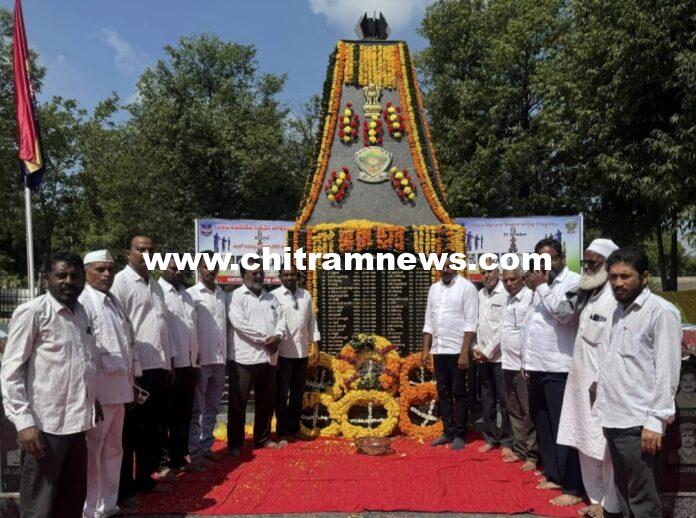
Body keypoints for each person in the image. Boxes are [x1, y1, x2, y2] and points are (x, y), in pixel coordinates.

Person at [1, 252, 101, 518]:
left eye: (75, 276)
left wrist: (92, 397)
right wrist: (24, 423)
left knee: (71, 503)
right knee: (39, 508)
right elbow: (10, 371)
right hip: (44, 428)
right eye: (61, 275)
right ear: (47, 279)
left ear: (83, 280)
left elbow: (83, 360)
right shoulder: (33, 312)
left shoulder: (82, 313)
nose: (68, 281)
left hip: (77, 424)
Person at [594, 245, 682, 516]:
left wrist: (655, 421)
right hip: (614, 417)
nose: (618, 283)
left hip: (639, 424)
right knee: (624, 495)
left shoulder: (660, 312)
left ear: (644, 277)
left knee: (643, 502)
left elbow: (667, 370)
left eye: (625, 276)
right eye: (613, 277)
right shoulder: (618, 310)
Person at [554, 239, 621, 517]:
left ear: (608, 264)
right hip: (580, 384)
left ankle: (609, 504)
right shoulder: (589, 295)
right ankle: (595, 497)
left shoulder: (614, 300)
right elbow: (562, 312)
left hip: (601, 386)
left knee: (604, 448)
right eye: (585, 262)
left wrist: (602, 382)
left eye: (593, 262)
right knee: (583, 441)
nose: (588, 267)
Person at [80, 249, 142, 518]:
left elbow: (127, 343)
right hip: (98, 393)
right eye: (100, 269)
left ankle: (108, 505)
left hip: (119, 390)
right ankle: (90, 509)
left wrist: (132, 380)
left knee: (114, 450)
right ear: (86, 272)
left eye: (110, 269)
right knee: (93, 453)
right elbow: (83, 351)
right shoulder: (83, 301)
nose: (107, 274)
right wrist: (88, 392)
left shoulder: (113, 301)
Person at [111, 234, 173, 499]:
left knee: (152, 429)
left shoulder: (155, 285)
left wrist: (168, 363)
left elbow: (162, 327)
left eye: (151, 250)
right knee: (130, 431)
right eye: (141, 249)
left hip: (158, 366)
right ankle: (125, 489)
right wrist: (130, 373)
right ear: (128, 253)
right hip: (136, 370)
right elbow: (119, 328)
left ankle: (146, 479)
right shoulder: (120, 283)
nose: (147, 254)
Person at [524, 238, 583, 506]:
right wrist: (526, 361)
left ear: (561, 257)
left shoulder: (574, 282)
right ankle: (554, 474)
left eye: (549, 259)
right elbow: (532, 326)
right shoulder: (539, 285)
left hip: (559, 366)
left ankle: (572, 485)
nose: (544, 265)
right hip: (537, 365)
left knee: (563, 426)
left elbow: (564, 315)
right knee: (543, 424)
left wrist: (542, 287)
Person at [227, 258, 287, 456]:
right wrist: (266, 340)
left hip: (268, 358)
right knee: (238, 403)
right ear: (243, 275)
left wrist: (278, 336)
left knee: (266, 402)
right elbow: (240, 324)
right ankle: (235, 445)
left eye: (261, 272)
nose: (259, 276)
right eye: (255, 273)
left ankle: (262, 439)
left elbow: (281, 320)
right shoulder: (235, 297)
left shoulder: (271, 298)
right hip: (243, 359)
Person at [422, 257, 478, 451]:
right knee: (443, 392)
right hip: (439, 349)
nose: (445, 270)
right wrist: (425, 349)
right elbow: (429, 321)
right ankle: (448, 431)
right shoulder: (434, 289)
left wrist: (464, 353)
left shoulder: (467, 288)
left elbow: (471, 322)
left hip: (457, 350)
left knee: (459, 392)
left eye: (449, 266)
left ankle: (460, 434)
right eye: (442, 266)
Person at [158, 258, 200, 473]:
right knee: (164, 417)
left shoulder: (187, 294)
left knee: (184, 414)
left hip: (189, 363)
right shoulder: (157, 292)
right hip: (169, 365)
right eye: (174, 268)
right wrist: (170, 363)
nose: (178, 272)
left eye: (182, 269)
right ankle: (162, 461)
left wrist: (196, 362)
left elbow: (193, 330)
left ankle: (179, 457)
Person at [271, 265, 321, 441]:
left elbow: (311, 322)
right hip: (283, 354)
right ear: (280, 277)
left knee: (297, 394)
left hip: (302, 353)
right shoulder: (274, 296)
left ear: (297, 276)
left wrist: (316, 346)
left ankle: (294, 429)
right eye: (285, 275)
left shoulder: (305, 294)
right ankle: (281, 431)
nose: (289, 278)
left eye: (292, 274)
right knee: (281, 395)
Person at [187, 252, 228, 463]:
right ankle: (194, 451)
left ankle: (206, 446)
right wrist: (193, 358)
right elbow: (189, 329)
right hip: (201, 360)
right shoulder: (191, 295)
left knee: (212, 406)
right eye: (206, 266)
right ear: (199, 268)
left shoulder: (223, 295)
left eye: (214, 266)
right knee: (196, 408)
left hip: (220, 359)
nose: (210, 270)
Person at [500, 266, 539, 472]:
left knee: (527, 411)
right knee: (513, 410)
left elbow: (530, 334)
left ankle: (533, 455)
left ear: (522, 278)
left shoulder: (530, 298)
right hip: (507, 363)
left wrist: (526, 362)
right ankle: (520, 449)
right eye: (505, 280)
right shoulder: (507, 300)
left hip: (523, 366)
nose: (509, 283)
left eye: (513, 279)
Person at [473, 264, 513, 457]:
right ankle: (490, 437)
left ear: (498, 272)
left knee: (504, 401)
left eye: (490, 271)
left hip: (500, 357)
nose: (487, 275)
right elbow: (476, 324)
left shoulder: (505, 294)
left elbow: (504, 329)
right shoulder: (480, 294)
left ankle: (507, 440)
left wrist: (487, 351)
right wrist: (475, 348)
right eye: (483, 272)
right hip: (482, 358)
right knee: (487, 399)